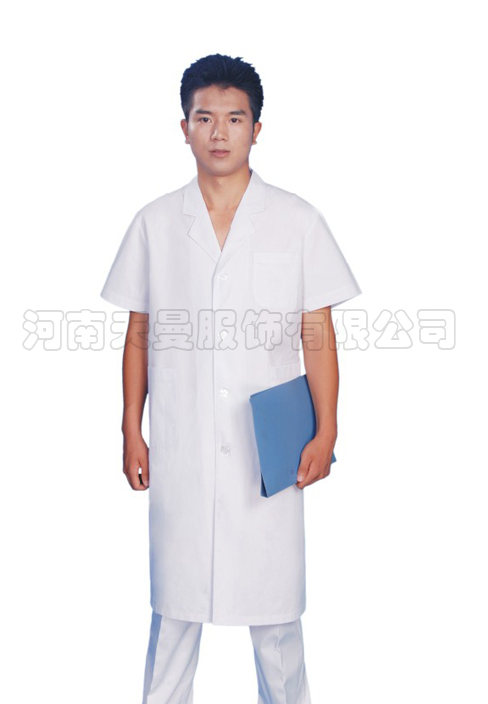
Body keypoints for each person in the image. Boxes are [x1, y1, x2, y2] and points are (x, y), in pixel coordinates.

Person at [100, 53, 362, 704]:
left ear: (257, 129)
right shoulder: (156, 222)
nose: (219, 132)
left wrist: (327, 429)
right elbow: (139, 333)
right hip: (184, 445)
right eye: (205, 118)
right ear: (184, 128)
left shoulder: (297, 220)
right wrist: (131, 428)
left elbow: (317, 334)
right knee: (174, 617)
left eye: (235, 118)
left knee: (276, 624)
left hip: (267, 450)